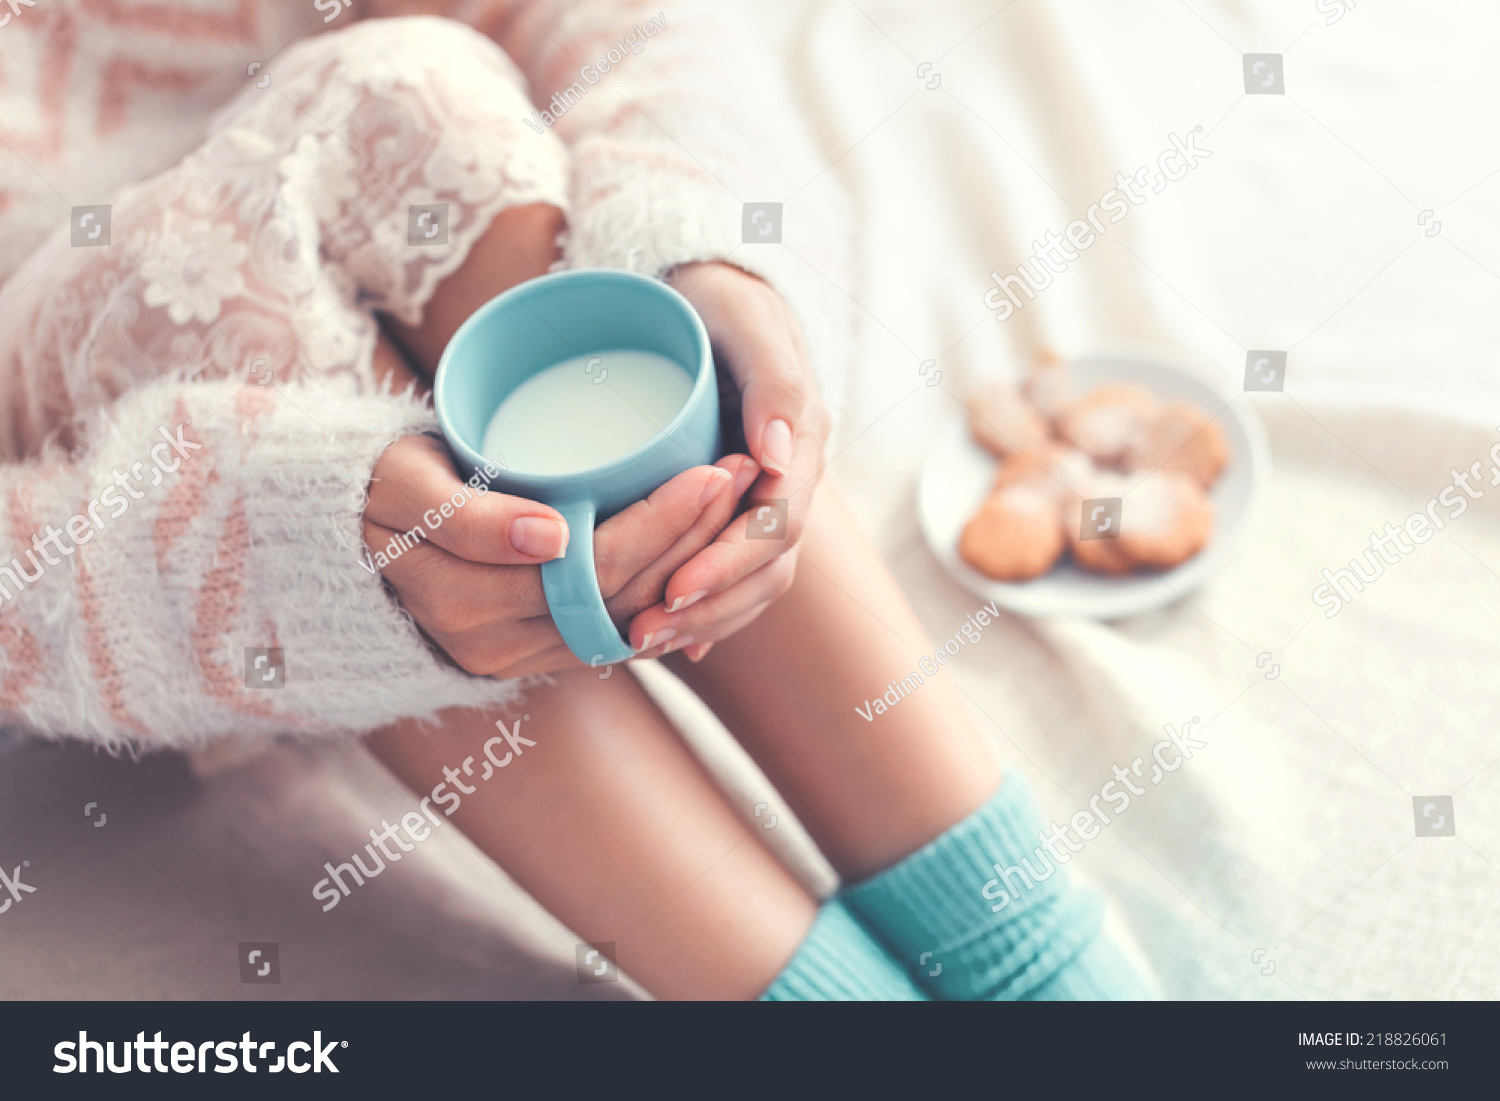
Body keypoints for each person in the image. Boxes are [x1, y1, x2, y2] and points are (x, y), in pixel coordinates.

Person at [0, 1, 1147, 998]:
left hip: (410, 268)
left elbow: (625, 21)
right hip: (89, 485)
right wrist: (276, 556)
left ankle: (1014, 950)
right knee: (205, 266)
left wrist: (697, 251)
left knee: (400, 100)